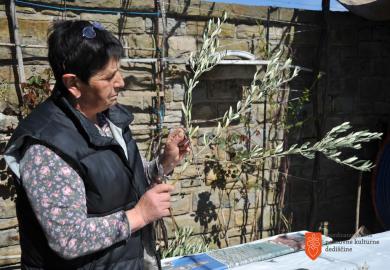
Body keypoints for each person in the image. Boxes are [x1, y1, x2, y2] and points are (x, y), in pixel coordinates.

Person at [4, 20, 190, 270]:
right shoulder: (46, 147)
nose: (121, 82)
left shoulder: (109, 117)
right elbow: (68, 238)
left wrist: (163, 164)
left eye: (118, 71)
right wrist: (141, 215)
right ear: (73, 84)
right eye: (108, 77)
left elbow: (118, 188)